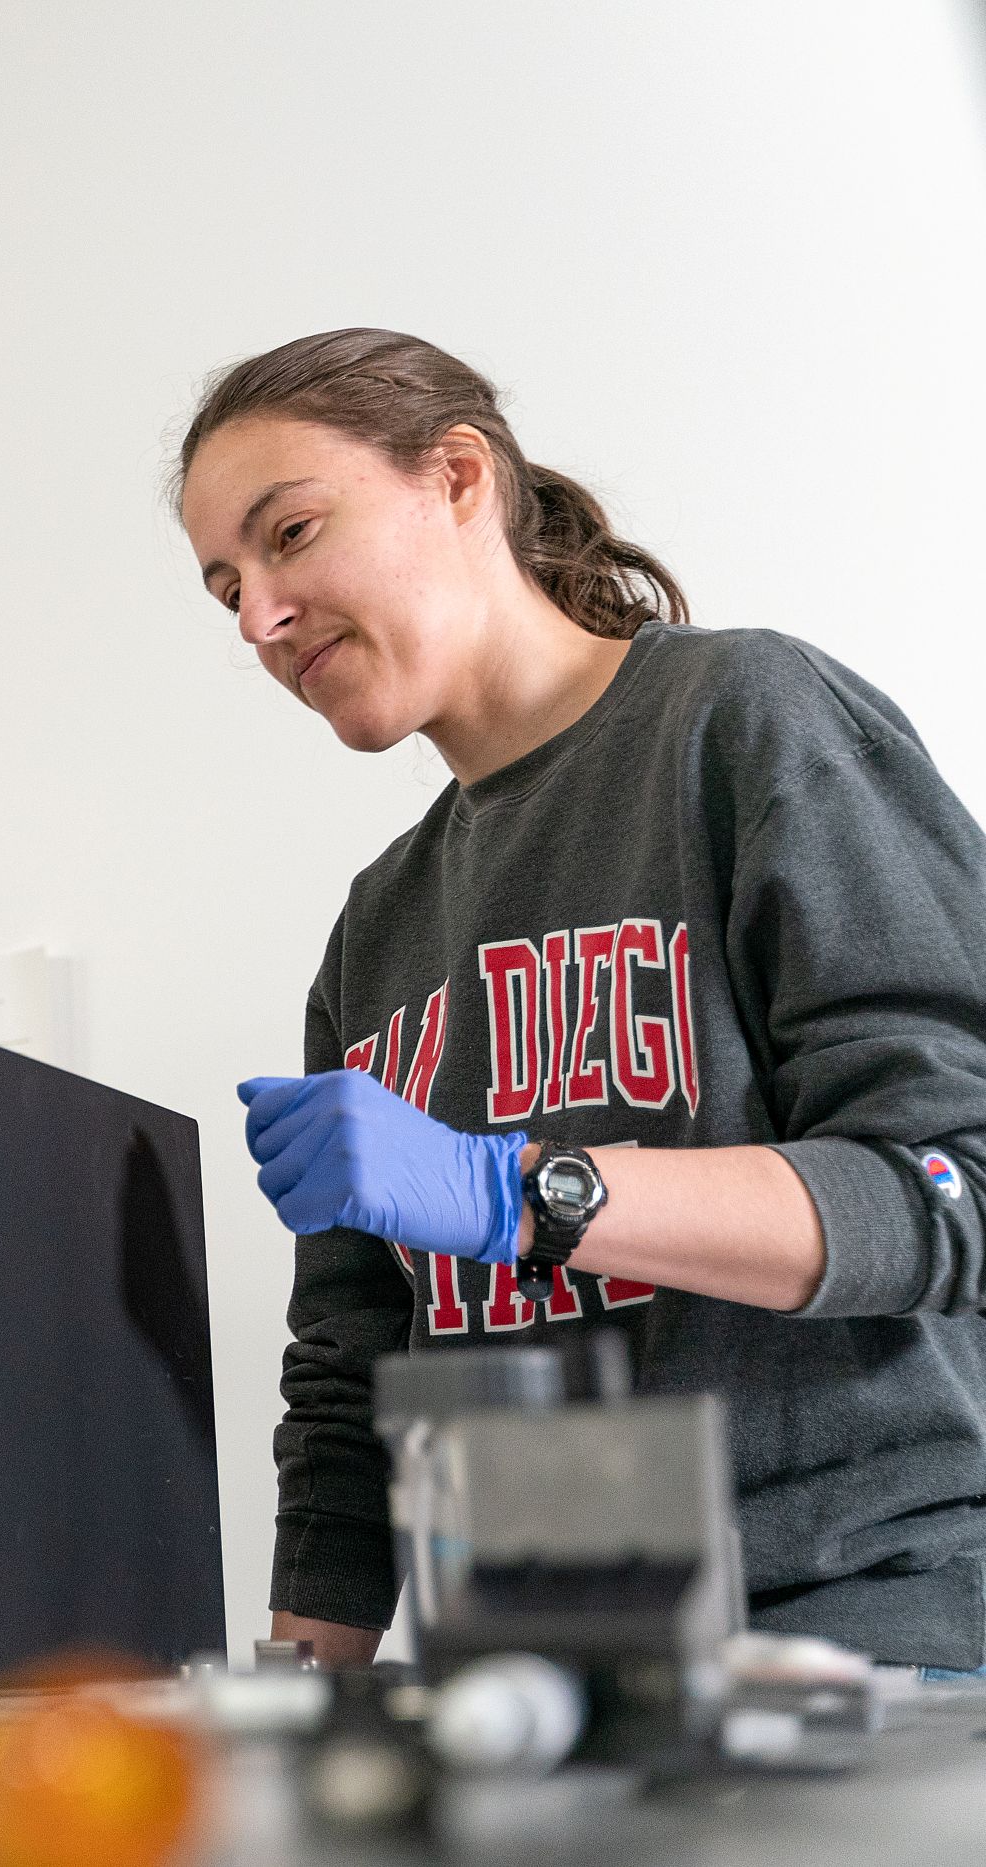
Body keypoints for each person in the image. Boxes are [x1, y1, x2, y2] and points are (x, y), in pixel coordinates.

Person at [179, 328, 986, 1673]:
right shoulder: (376, 928)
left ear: (455, 477)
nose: (262, 617)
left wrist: (523, 1193)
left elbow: (953, 1182)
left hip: (856, 1639)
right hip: (536, 1667)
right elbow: (349, 1367)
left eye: (293, 534)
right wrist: (297, 1698)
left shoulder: (747, 723)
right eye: (226, 590)